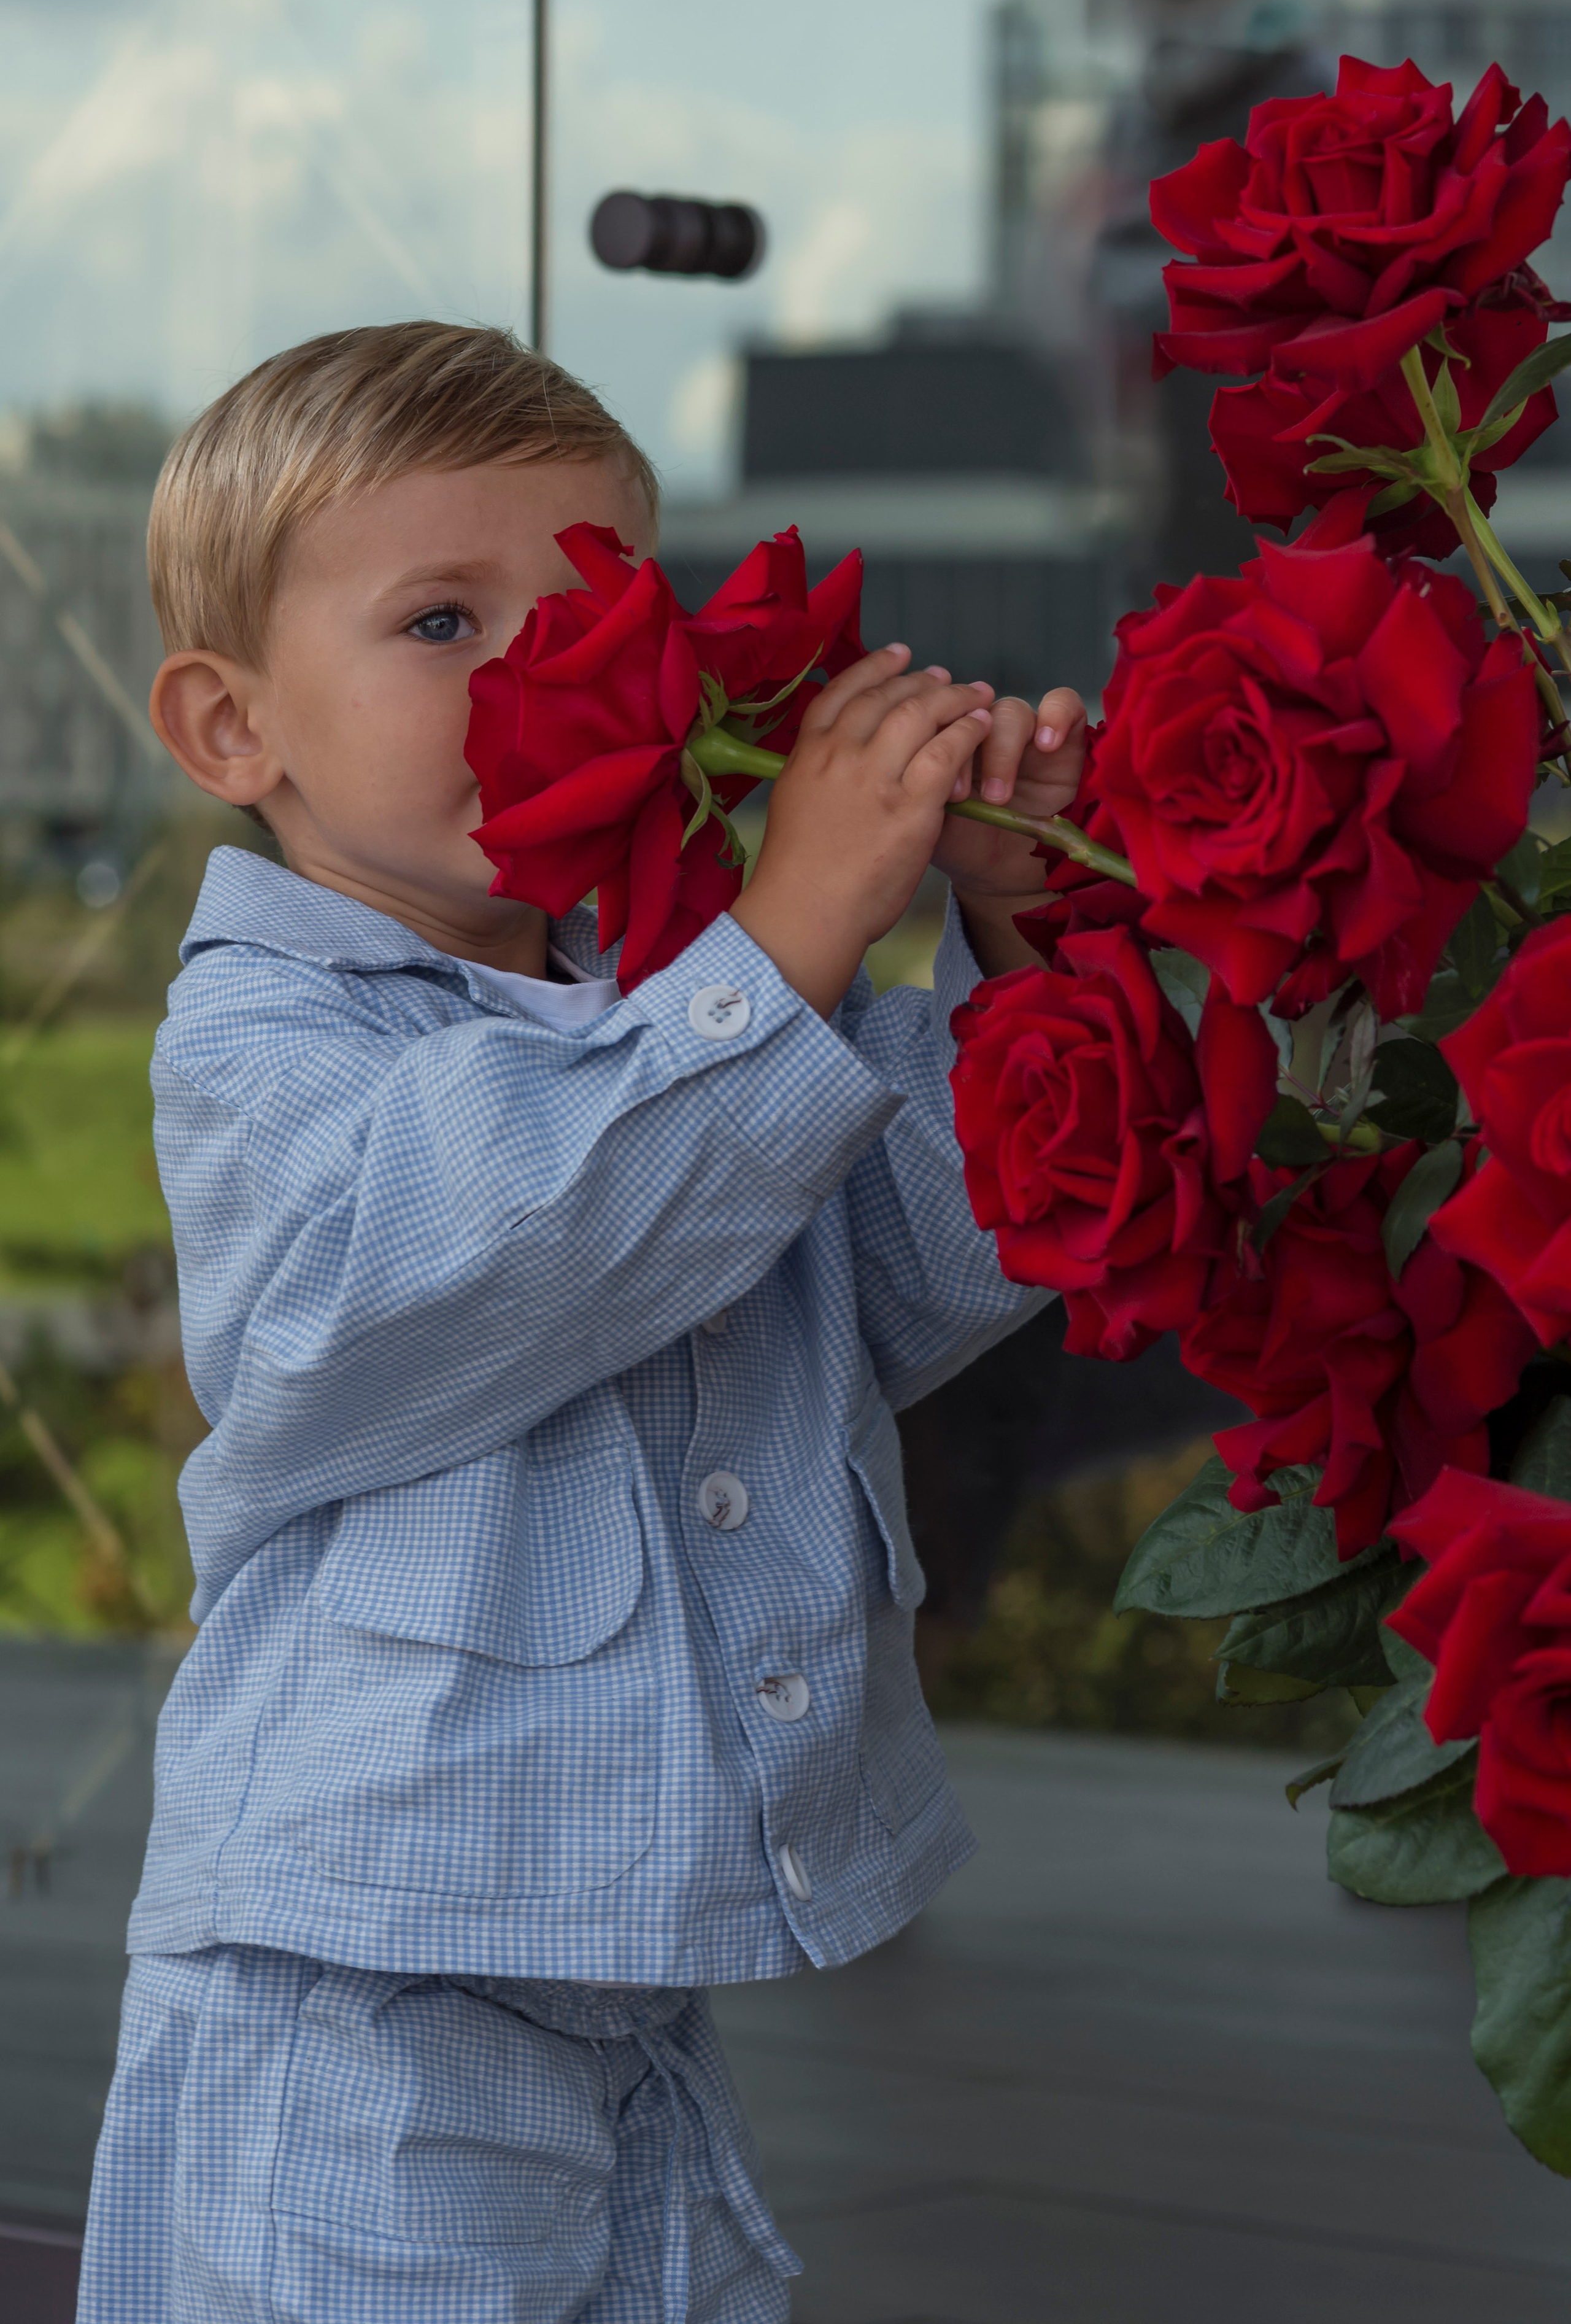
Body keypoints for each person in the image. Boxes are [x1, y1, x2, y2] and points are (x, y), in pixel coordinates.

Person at [75, 320, 1084, 2323]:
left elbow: (918, 1259)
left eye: (596, 604)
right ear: (230, 728)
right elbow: (504, 1239)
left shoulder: (681, 1007)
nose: (542, 666)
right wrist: (787, 940)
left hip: (618, 2002)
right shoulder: (263, 1038)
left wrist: (1014, 928)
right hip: (353, 2004)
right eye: (444, 621)